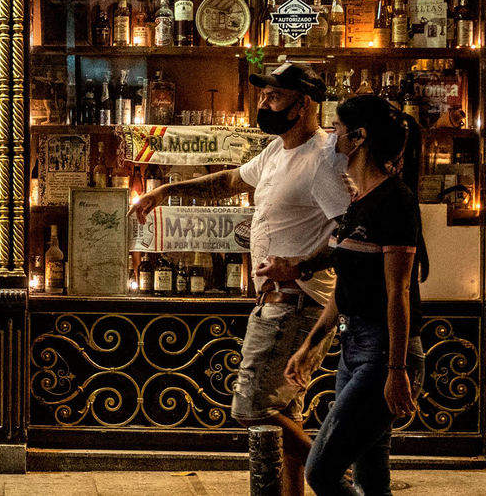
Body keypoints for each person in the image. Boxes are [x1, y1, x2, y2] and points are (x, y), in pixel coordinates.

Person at [130, 62, 350, 496]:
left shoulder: (323, 161)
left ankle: (335, 478)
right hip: (279, 301)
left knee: (251, 408)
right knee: (286, 408)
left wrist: (301, 264)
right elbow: (231, 179)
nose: (263, 104)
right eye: (263, 95)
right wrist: (166, 191)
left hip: (297, 302)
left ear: (302, 104)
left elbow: (352, 237)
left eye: (273, 97)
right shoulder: (277, 150)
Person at [265, 94, 428, 496]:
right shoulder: (358, 201)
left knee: (320, 471)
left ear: (358, 138)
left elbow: (398, 293)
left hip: (385, 352)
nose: (332, 137)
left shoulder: (396, 200)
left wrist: (396, 370)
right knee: (372, 474)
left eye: (337, 129)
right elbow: (345, 287)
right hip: (353, 345)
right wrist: (309, 346)